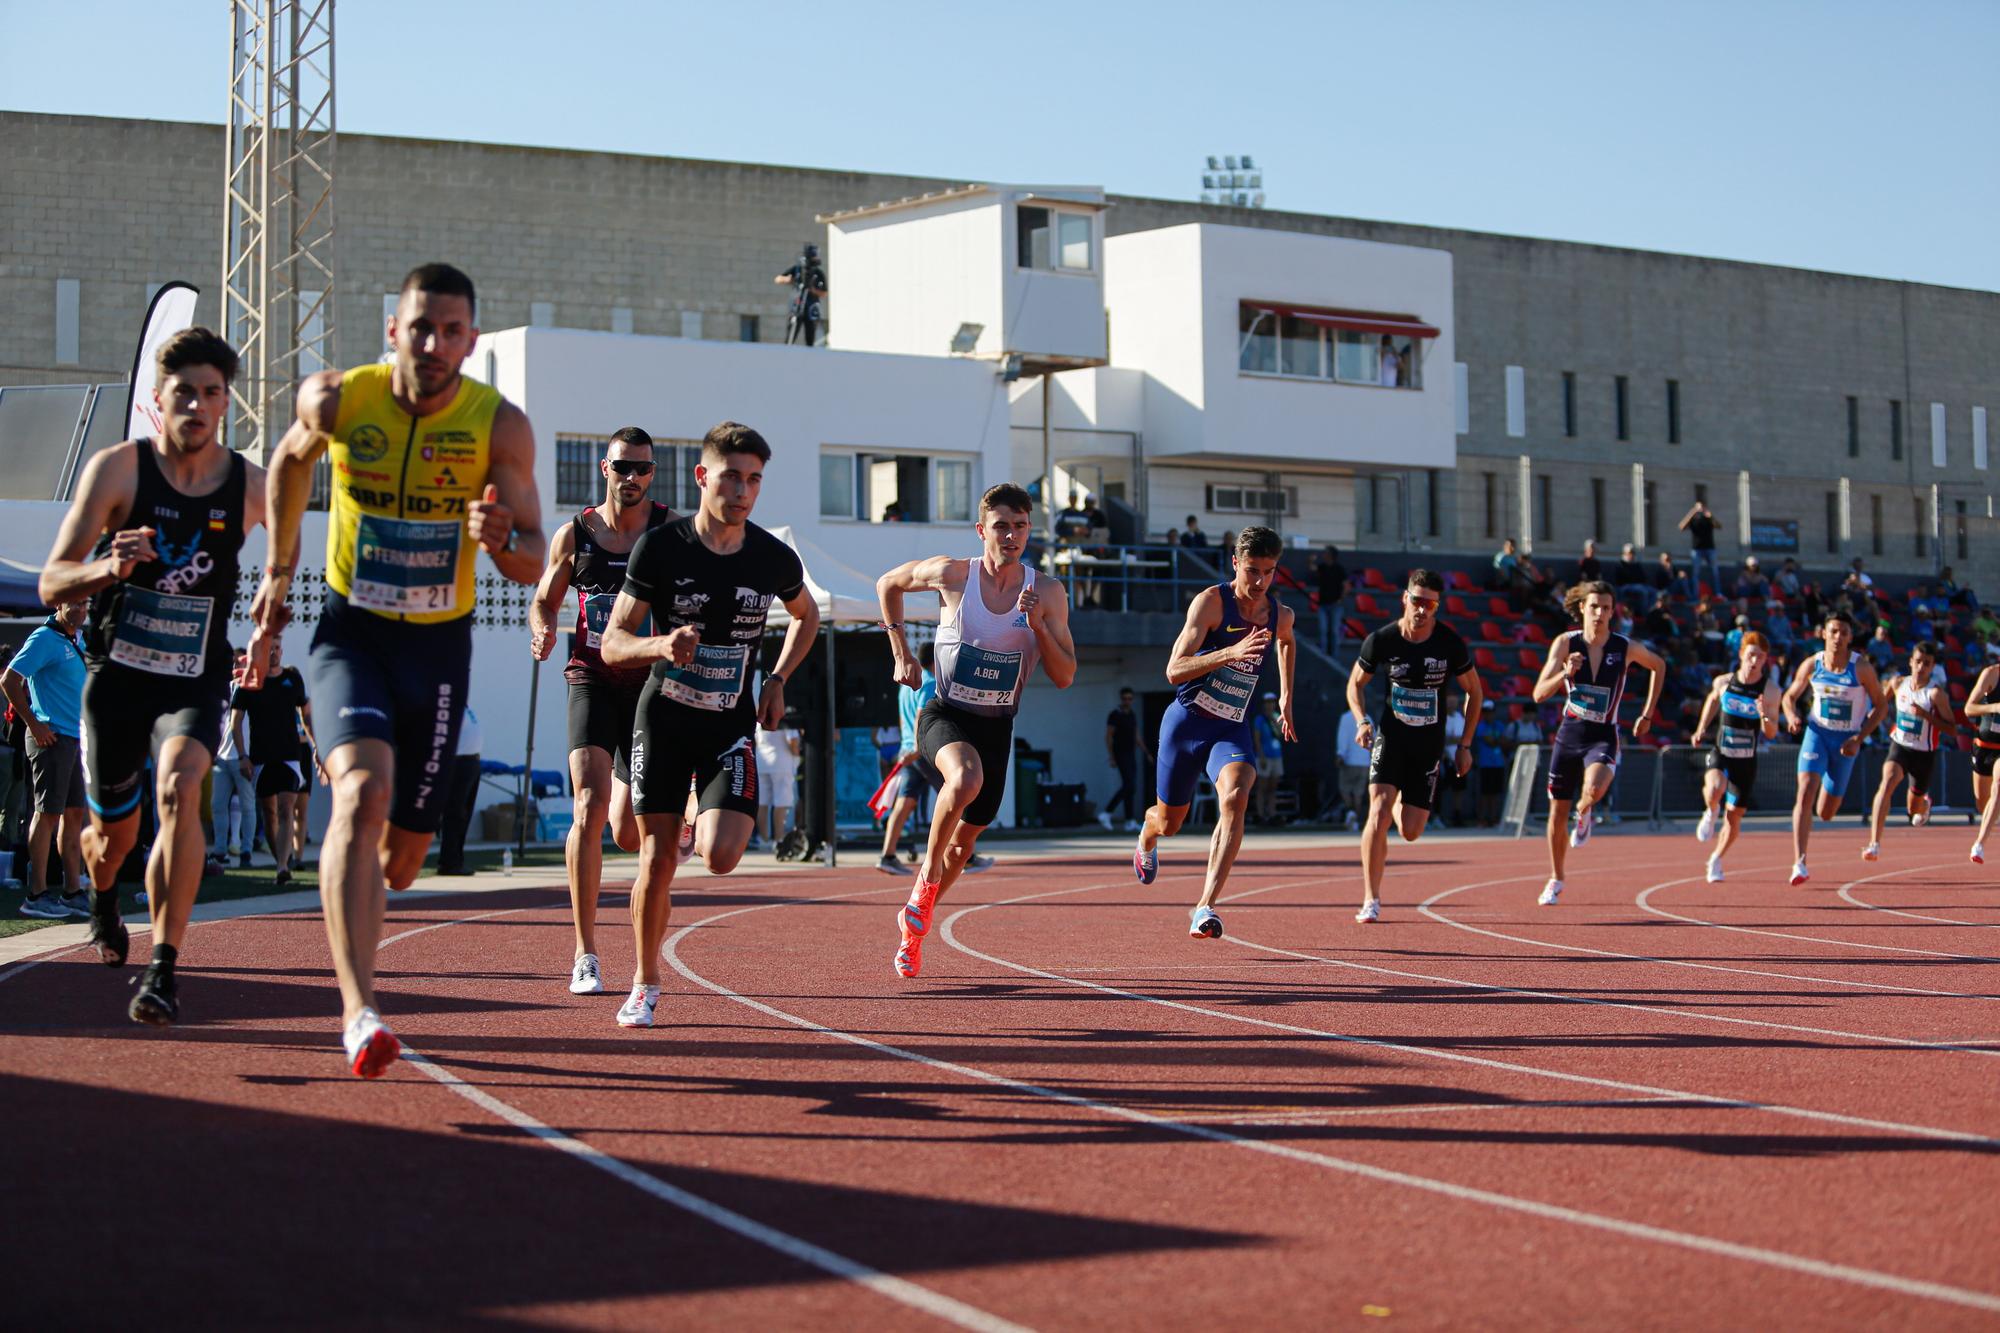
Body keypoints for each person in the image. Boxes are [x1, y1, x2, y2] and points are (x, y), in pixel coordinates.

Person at [248, 263, 544, 1076]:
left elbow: (534, 555)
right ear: (392, 330)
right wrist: (280, 569)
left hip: (439, 649)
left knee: (403, 861)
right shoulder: (342, 399)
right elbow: (286, 460)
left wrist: (499, 541)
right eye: (419, 327)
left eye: (451, 332)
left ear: (472, 341)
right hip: (353, 635)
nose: (433, 344)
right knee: (361, 793)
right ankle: (359, 1010)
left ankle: (366, 884)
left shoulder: (499, 425)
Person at [38, 326, 266, 1021]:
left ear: (226, 402)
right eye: (183, 394)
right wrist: (109, 564)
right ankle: (105, 895)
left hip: (193, 676)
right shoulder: (117, 471)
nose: (196, 407)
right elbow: (52, 581)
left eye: (211, 394)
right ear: (158, 400)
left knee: (180, 787)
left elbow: (280, 569)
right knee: (115, 840)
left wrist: (267, 631)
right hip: (118, 677)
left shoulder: (250, 486)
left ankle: (164, 966)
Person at [602, 421, 821, 1026]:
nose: (743, 491)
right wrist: (661, 646)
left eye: (754, 480)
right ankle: (645, 984)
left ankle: (698, 803)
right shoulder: (662, 548)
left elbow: (807, 618)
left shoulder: (773, 557)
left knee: (722, 856)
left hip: (728, 726)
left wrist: (776, 680)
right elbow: (613, 644)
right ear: (703, 477)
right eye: (731, 477)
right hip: (664, 720)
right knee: (648, 853)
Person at [879, 483, 1077, 972]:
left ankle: (914, 928)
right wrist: (901, 652)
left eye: (1020, 527)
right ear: (981, 530)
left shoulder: (1047, 592)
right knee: (964, 779)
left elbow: (1066, 674)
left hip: (997, 726)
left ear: (1030, 529)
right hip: (944, 713)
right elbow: (889, 584)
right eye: (1001, 526)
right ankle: (923, 881)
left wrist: (1037, 628)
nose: (1011, 536)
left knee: (964, 846)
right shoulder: (952, 574)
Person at [529, 425, 675, 996]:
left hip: (646, 685)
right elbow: (545, 598)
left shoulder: (669, 534)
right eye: (622, 467)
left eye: (642, 468)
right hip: (589, 676)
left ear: (652, 473)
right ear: (604, 468)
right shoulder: (575, 534)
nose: (631, 478)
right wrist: (542, 629)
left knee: (625, 833)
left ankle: (679, 807)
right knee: (586, 805)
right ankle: (585, 952)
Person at [1131, 527, 1292, 937]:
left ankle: (1205, 906)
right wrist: (1230, 653)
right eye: (1252, 570)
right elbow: (1174, 670)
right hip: (1186, 724)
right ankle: (1147, 838)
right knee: (1170, 823)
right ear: (1236, 563)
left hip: (1230, 728)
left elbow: (1286, 642)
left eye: (1268, 572)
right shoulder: (1211, 603)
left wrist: (1287, 696)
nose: (1259, 582)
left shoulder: (1279, 614)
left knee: (1238, 794)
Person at [1345, 570, 1479, 921]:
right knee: (1378, 809)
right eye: (1417, 600)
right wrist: (1362, 720)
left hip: (1428, 744)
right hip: (1391, 736)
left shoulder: (1449, 643)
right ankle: (1370, 899)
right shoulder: (1382, 640)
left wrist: (1464, 744)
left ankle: (1406, 793)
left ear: (1437, 607)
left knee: (1411, 831)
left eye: (1430, 604)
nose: (1422, 610)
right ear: (1405, 598)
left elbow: (1475, 692)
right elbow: (1354, 685)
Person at [1531, 581, 1666, 905]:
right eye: (1594, 607)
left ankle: (1586, 810)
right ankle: (1556, 878)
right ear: (1582, 609)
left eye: (1606, 608)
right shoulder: (1565, 643)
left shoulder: (1624, 646)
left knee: (1594, 788)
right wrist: (1565, 674)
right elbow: (1538, 693)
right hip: (1570, 734)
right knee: (1556, 814)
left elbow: (1659, 666)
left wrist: (1647, 714)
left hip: (1603, 734)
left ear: (1612, 611)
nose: (1600, 613)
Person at [1779, 611, 1887, 887]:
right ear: (1823, 633)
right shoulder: (1812, 664)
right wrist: (1791, 716)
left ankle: (1827, 796)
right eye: (1833, 631)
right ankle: (1799, 862)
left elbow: (1881, 706)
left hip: (1846, 741)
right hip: (1817, 733)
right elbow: (1789, 697)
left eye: (1843, 632)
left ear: (1851, 637)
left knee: (1826, 812)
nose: (1838, 637)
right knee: (1804, 792)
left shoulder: (1860, 668)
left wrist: (1859, 738)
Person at [1, 598, 89, 918]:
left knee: (74, 814)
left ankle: (72, 891)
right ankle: (36, 895)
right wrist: (35, 724)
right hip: (52, 738)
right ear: (59, 604)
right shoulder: (43, 638)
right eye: (75, 604)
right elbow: (9, 680)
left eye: (86, 604)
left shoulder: (77, 638)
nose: (81, 610)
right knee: (47, 814)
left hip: (76, 739)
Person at [1688, 632, 1781, 882]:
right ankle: (1710, 811)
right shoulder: (1724, 682)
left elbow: (1771, 733)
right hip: (1722, 751)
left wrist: (1764, 716)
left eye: (1760, 657)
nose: (1754, 661)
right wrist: (1701, 728)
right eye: (1751, 655)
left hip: (1746, 760)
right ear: (1741, 654)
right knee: (1714, 789)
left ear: (1765, 660)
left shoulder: (1770, 691)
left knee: (1734, 817)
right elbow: (1712, 701)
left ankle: (1716, 858)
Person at [228, 634, 315, 886]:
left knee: (286, 807)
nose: (274, 652)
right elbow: (236, 723)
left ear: (282, 650)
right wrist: (243, 756)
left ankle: (282, 866)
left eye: (277, 648)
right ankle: (282, 862)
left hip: (290, 755)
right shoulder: (249, 683)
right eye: (270, 649)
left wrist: (316, 745)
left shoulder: (292, 679)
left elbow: (305, 714)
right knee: (269, 812)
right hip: (261, 757)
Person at [1864, 641, 1955, 861]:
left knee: (1912, 809)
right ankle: (1874, 844)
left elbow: (1952, 729)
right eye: (1918, 662)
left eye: (1927, 663)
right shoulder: (1898, 684)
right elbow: (1880, 704)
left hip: (1924, 754)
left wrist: (1926, 716)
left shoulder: (1935, 695)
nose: (1921, 667)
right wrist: (1871, 718)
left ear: (1932, 667)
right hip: (1900, 746)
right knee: (1887, 783)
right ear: (1911, 662)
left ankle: (1924, 804)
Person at [878, 643, 938, 872]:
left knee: (904, 803)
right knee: (954, 796)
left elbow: (905, 718)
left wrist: (907, 747)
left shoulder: (905, 687)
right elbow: (921, 716)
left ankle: (888, 854)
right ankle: (965, 854)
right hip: (921, 751)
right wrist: (916, 747)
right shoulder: (929, 681)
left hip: (909, 751)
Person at [210, 647, 254, 869]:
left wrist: (247, 754)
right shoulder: (225, 689)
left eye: (242, 664)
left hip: (242, 756)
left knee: (247, 806)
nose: (238, 668)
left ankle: (246, 851)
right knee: (218, 805)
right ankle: (220, 850)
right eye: (236, 664)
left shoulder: (255, 690)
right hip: (222, 756)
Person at [435, 705, 481, 876]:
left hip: (471, 762)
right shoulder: (447, 705)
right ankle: (448, 862)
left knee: (464, 815)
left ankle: (457, 860)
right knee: (455, 814)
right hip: (458, 763)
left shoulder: (464, 707)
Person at [1099, 686, 1147, 832]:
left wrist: (1147, 753)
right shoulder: (1115, 714)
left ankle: (1129, 821)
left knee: (1131, 787)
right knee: (1128, 784)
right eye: (1125, 698)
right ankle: (1106, 813)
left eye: (1130, 699)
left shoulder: (1131, 714)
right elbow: (1108, 736)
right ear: (1121, 699)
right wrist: (1112, 756)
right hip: (1120, 753)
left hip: (1131, 753)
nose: (1127, 701)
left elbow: (1136, 736)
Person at [1968, 661, 2000, 864]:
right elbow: (1969, 708)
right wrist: (1994, 707)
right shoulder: (1991, 674)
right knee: (1982, 802)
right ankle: (1989, 821)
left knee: (1999, 786)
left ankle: (1979, 844)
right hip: (1983, 747)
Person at [754, 714, 801, 851]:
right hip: (782, 763)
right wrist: (797, 756)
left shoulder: (759, 719)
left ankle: (763, 839)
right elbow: (793, 742)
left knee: (762, 802)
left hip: (762, 762)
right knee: (781, 801)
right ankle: (779, 839)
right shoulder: (784, 718)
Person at [773, 242, 827, 347]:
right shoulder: (797, 269)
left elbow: (824, 292)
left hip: (811, 307)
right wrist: (789, 279)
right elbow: (778, 279)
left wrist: (813, 290)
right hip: (797, 305)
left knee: (810, 336)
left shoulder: (818, 273)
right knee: (791, 334)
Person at [1251, 693, 1286, 824]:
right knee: (1262, 787)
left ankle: (1272, 814)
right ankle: (1260, 815)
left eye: (1271, 702)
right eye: (1267, 702)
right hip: (1264, 757)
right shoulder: (1259, 720)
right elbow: (1257, 739)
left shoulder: (1278, 717)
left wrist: (1273, 719)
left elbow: (1280, 734)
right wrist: (1261, 756)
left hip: (1276, 756)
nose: (1269, 705)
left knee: (1273, 787)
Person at [1473, 701, 1508, 827]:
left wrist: (1498, 741)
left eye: (1491, 712)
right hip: (1485, 764)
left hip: (1498, 764)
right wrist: (1498, 740)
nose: (1489, 715)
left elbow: (1504, 742)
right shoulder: (1480, 726)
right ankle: (1482, 819)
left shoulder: (1499, 725)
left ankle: (1493, 818)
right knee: (1484, 793)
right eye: (1486, 713)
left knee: (1495, 793)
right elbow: (1491, 741)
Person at [1334, 709, 1369, 830]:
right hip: (1364, 763)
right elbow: (1373, 739)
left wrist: (1340, 754)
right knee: (1358, 793)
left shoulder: (1345, 717)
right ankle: (1355, 819)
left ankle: (1350, 813)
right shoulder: (1368, 718)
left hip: (1350, 762)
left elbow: (1342, 737)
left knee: (1345, 789)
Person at [1678, 499, 1720, 596]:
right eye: (1698, 507)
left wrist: (1711, 516)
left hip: (1710, 548)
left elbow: (1719, 526)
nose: (1700, 509)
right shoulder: (1693, 519)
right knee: (1695, 573)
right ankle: (1695, 594)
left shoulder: (1708, 519)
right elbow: (1681, 527)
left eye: (1701, 507)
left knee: (1715, 572)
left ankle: (1718, 593)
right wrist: (1691, 513)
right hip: (1696, 549)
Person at [1313, 545, 1347, 658]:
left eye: (1326, 553)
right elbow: (1313, 570)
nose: (1324, 555)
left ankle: (1334, 656)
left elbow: (1346, 585)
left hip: (1335, 605)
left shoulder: (1339, 569)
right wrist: (1309, 562)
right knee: (1322, 629)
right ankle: (1323, 655)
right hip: (1322, 604)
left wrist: (1341, 599)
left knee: (1334, 631)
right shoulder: (1322, 567)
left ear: (1331, 556)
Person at [1613, 543, 1650, 609]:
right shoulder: (1620, 565)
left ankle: (1651, 611)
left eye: (1633, 553)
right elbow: (1621, 579)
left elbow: (1643, 577)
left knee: (1654, 592)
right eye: (1629, 553)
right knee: (1644, 592)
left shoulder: (1636, 565)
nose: (1631, 555)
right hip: (1625, 586)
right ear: (1624, 553)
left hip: (1638, 585)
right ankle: (1645, 614)